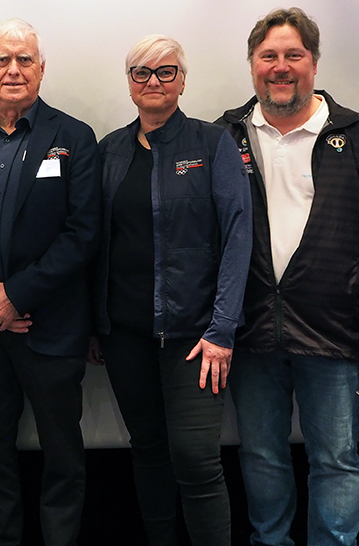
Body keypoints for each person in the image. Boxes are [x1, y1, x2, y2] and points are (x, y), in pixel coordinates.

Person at [215, 7, 359, 546]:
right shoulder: (223, 137)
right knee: (260, 455)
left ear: (314, 63)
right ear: (253, 65)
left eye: (293, 55)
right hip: (252, 331)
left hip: (334, 329)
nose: (281, 67)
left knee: (337, 460)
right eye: (269, 56)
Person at [0, 18, 101, 546]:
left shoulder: (74, 137)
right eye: (2, 60)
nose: (13, 70)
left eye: (24, 59)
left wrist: (18, 295)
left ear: (41, 69)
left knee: (62, 456)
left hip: (51, 329)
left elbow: (83, 233)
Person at [89, 35, 251, 546]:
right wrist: (98, 322)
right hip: (125, 336)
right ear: (130, 83)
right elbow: (95, 242)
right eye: (141, 72)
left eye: (165, 72)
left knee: (197, 459)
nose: (153, 82)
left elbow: (238, 236)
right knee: (149, 451)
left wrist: (223, 328)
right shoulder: (109, 151)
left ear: (182, 80)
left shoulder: (212, 143)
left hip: (197, 338)